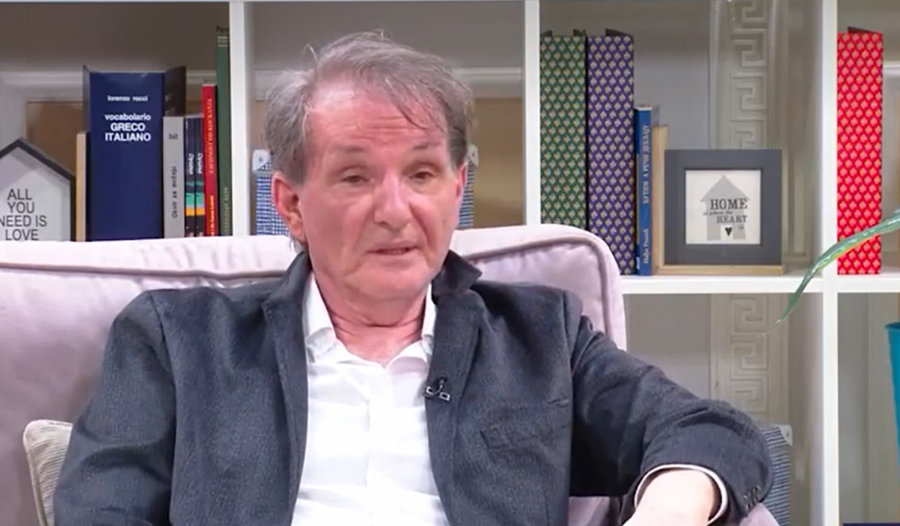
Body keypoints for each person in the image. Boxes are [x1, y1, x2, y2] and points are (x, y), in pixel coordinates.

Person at [53, 32, 772, 526]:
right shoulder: (177, 341)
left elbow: (711, 432)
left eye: (422, 174)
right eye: (355, 177)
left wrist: (667, 508)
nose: (395, 210)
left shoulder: (540, 337)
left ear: (457, 190)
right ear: (292, 205)